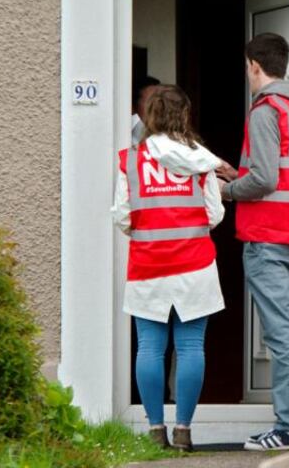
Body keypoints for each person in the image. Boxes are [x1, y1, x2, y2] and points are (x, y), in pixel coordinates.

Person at [217, 33, 289, 452]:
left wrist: (222, 191)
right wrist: (235, 172)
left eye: (246, 67)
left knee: (281, 335)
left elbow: (263, 179)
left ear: (254, 66)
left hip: (268, 235)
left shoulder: (264, 111)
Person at [112, 85, 226, 451]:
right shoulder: (202, 161)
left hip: (148, 264)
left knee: (149, 348)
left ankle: (154, 432)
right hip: (195, 264)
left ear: (149, 117)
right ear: (184, 116)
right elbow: (214, 214)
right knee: (191, 347)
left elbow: (122, 217)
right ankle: (184, 431)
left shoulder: (130, 160)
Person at [131, 77, 161, 146]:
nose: (158, 106)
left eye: (160, 101)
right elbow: (130, 157)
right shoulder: (126, 138)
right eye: (151, 102)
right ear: (133, 106)